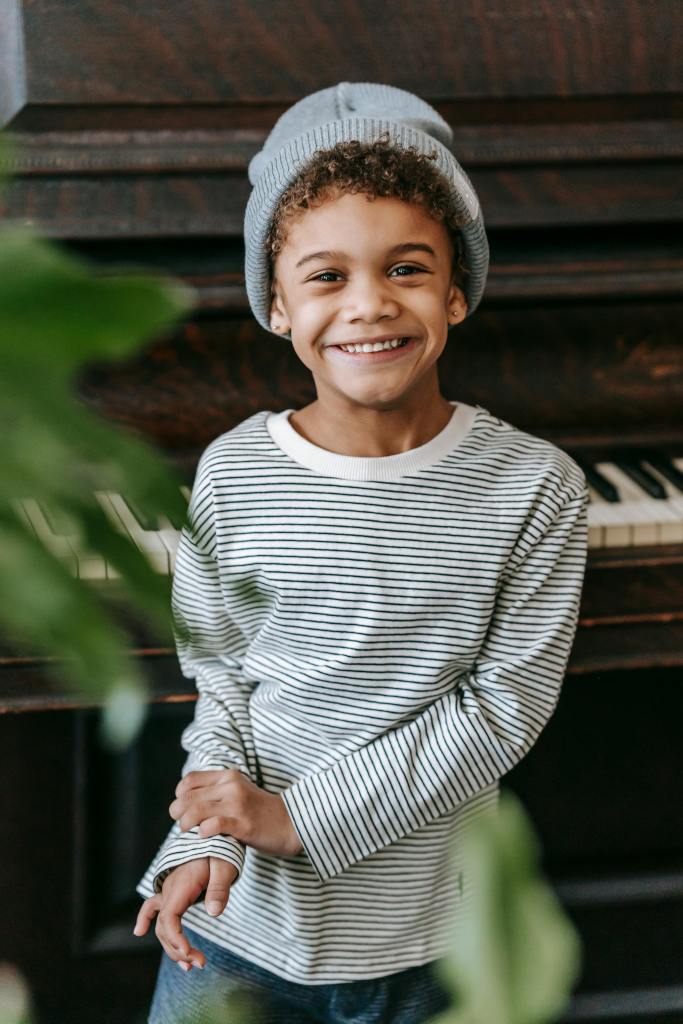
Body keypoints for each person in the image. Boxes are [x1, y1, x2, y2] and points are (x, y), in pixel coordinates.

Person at [133, 81, 589, 1023]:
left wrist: (299, 818)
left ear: (457, 290)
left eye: (407, 269)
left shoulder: (533, 485)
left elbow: (501, 710)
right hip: (239, 929)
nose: (369, 305)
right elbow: (222, 682)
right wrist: (203, 842)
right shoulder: (232, 471)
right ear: (275, 306)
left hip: (430, 942)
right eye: (327, 275)